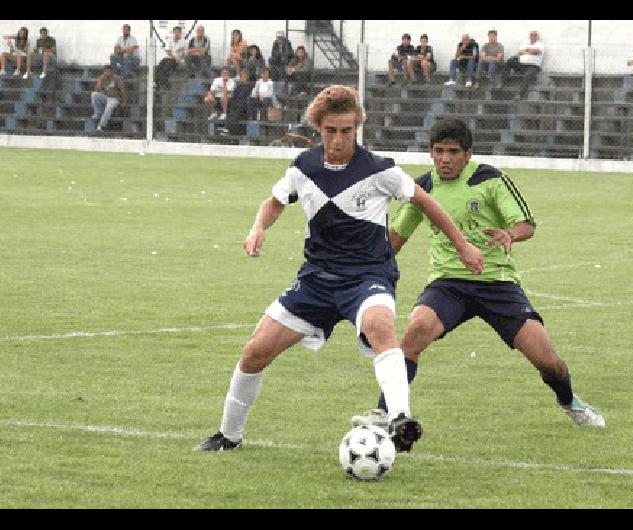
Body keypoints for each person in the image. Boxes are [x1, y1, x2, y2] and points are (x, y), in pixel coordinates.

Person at [195, 85, 485, 453]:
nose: (338, 139)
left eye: (347, 131)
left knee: (381, 327)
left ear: (357, 127)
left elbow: (427, 203)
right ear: (318, 128)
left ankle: (399, 418)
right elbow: (274, 202)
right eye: (331, 130)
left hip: (368, 278)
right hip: (316, 281)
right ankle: (228, 436)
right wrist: (257, 228)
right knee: (255, 352)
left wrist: (462, 245)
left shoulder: (381, 170)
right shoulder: (304, 167)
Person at [349, 118, 605, 429]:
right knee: (415, 333)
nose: (445, 159)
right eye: (439, 151)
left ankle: (569, 401)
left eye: (453, 152)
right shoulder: (422, 189)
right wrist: (363, 268)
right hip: (448, 284)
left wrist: (510, 234)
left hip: (497, 283)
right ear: (430, 153)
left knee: (547, 359)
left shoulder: (490, 179)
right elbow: (394, 240)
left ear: (468, 154)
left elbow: (526, 225)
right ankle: (384, 412)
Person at [90, 64, 128, 132]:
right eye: (105, 71)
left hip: (114, 99)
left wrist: (124, 101)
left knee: (109, 107)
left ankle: (101, 125)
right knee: (94, 94)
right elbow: (97, 89)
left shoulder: (116, 78)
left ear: (111, 71)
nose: (107, 73)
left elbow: (122, 90)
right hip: (105, 97)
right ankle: (98, 113)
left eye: (108, 71)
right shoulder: (102, 78)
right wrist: (99, 81)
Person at [508, 30, 544, 100]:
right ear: (529, 36)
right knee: (510, 61)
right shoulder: (525, 44)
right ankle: (504, 81)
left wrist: (526, 51)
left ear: (537, 37)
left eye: (535, 35)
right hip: (523, 65)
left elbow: (537, 52)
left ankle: (519, 94)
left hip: (533, 66)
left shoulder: (540, 45)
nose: (533, 36)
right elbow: (518, 52)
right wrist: (530, 51)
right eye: (531, 35)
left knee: (527, 75)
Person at [219, 69, 254, 136]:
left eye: (242, 76)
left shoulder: (251, 86)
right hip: (236, 106)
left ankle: (227, 128)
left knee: (237, 109)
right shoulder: (239, 87)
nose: (241, 78)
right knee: (232, 108)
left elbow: (250, 98)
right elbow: (234, 97)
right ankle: (227, 128)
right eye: (240, 76)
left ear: (247, 77)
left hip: (245, 108)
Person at [154, 26, 186, 90]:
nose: (176, 33)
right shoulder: (169, 40)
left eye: (178, 32)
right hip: (168, 58)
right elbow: (168, 51)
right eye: (175, 32)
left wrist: (180, 59)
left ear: (180, 33)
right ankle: (157, 83)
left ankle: (165, 83)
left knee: (166, 67)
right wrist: (174, 56)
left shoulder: (183, 42)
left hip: (176, 61)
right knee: (159, 67)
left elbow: (184, 53)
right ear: (173, 32)